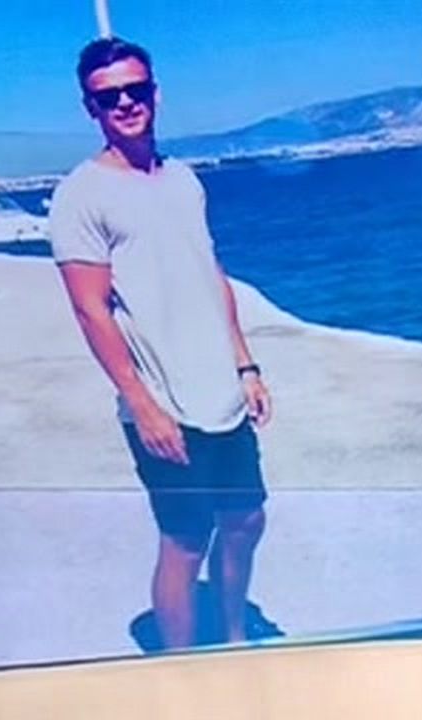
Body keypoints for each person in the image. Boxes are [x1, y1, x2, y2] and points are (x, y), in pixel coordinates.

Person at [50, 37, 273, 651]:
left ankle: (233, 641)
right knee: (185, 537)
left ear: (155, 93)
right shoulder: (80, 196)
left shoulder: (182, 179)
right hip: (163, 403)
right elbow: (91, 309)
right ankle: (180, 672)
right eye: (108, 96)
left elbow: (211, 274)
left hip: (221, 392)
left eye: (136, 89)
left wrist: (245, 365)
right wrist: (142, 405)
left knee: (245, 519)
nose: (125, 103)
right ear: (90, 108)